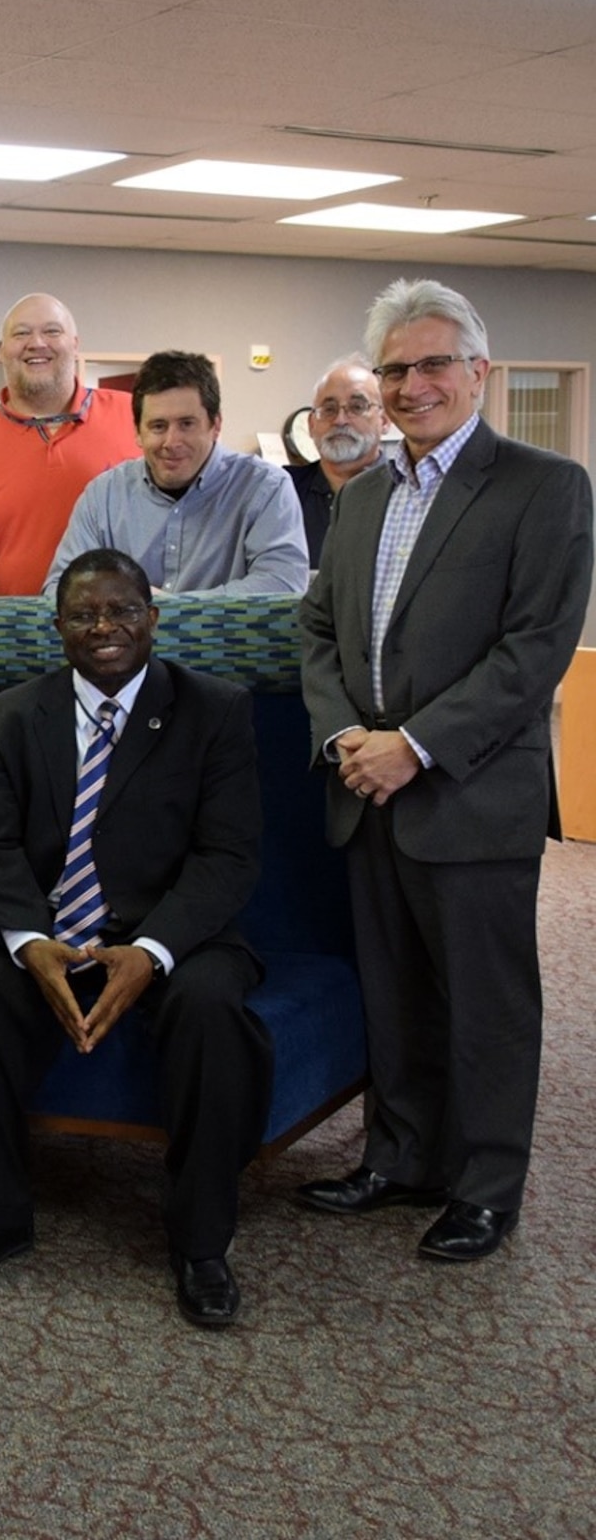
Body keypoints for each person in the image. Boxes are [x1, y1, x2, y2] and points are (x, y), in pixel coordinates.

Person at [298, 278, 593, 1263]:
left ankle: (483, 1185)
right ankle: (400, 1155)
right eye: (393, 369)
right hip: (363, 793)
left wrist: (411, 745)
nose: (410, 384)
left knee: (483, 1002)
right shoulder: (364, 493)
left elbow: (533, 648)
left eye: (430, 364)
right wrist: (343, 733)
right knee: (393, 989)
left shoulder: (542, 486)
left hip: (466, 793)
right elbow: (318, 629)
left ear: (475, 370)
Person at [0, 549, 273, 1327]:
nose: (104, 628)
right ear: (59, 628)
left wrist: (151, 952)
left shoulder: (212, 709)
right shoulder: (12, 715)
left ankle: (202, 1243)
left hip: (171, 927)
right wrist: (27, 940)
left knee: (214, 1007)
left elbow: (228, 856)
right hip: (46, 923)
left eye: (121, 611)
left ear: (152, 616)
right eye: (84, 615)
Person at [43, 350, 307, 596]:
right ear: (137, 432)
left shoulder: (265, 488)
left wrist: (169, 609)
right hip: (127, 646)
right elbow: (60, 590)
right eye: (158, 426)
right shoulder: (103, 496)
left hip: (226, 647)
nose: (172, 442)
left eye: (186, 424)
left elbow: (283, 584)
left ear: (215, 425)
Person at [0, 294, 142, 595]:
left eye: (52, 331)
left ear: (75, 344)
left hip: (119, 630)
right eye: (21, 333)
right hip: (2, 634)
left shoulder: (137, 419)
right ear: (2, 351)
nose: (37, 343)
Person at [296, 358, 388, 568]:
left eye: (357, 407)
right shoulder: (283, 492)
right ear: (311, 424)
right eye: (328, 409)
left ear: (385, 421)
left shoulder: (408, 492)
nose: (340, 420)